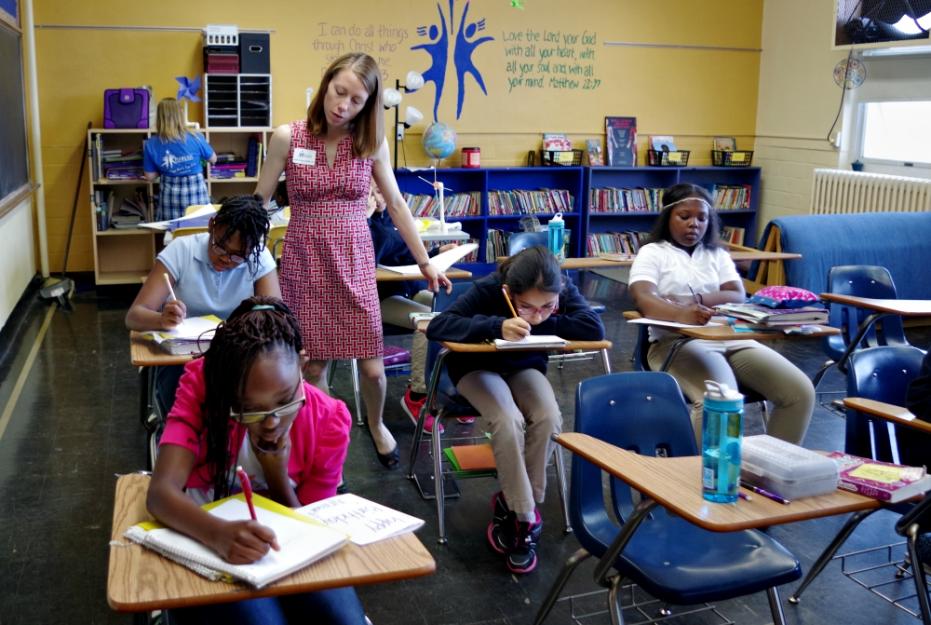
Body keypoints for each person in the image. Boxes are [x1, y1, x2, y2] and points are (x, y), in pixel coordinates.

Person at [255, 52, 451, 470]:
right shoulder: (287, 137)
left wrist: (425, 263)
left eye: (356, 100)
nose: (342, 105)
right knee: (313, 365)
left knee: (375, 369)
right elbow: (260, 202)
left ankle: (377, 424)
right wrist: (232, 248)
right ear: (326, 84)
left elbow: (397, 204)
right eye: (338, 91)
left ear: (369, 105)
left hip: (355, 257)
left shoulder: (370, 143)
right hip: (304, 257)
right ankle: (327, 447)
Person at [146, 296, 366, 625]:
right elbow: (160, 494)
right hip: (206, 541)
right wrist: (217, 534)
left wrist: (275, 474)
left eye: (284, 400)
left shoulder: (330, 420)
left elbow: (310, 531)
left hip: (285, 551)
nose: (271, 422)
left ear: (303, 366)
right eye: (249, 407)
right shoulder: (203, 388)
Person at [426, 247, 604, 574]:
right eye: (527, 307)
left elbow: (593, 329)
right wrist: (497, 326)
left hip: (524, 368)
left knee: (549, 415)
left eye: (547, 306)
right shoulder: (490, 288)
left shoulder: (562, 288)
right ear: (509, 293)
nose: (537, 314)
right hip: (476, 369)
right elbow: (440, 326)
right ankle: (524, 518)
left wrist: (543, 322)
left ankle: (514, 503)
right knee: (508, 419)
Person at [628, 183, 815, 444]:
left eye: (702, 218)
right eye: (685, 217)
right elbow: (644, 297)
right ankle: (700, 480)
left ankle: (771, 473)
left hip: (732, 338)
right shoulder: (653, 252)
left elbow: (737, 295)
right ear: (667, 218)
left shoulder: (716, 254)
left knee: (799, 392)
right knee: (720, 400)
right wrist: (682, 315)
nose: (694, 224)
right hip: (678, 342)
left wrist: (692, 301)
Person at [125, 194, 280, 415]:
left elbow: (274, 320)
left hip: (234, 352)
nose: (226, 260)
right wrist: (161, 319)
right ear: (211, 226)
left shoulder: (258, 258)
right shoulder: (181, 250)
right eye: (220, 247)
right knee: (183, 403)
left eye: (238, 256)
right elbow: (134, 316)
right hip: (183, 357)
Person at [367, 183, 466, 435]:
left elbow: (404, 254)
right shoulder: (360, 224)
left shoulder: (390, 218)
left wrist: (434, 253)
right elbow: (370, 257)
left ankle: (456, 386)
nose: (378, 198)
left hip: (404, 292)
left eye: (381, 192)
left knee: (453, 311)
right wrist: (366, 218)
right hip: (377, 301)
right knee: (429, 321)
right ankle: (418, 394)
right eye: (371, 192)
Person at [143, 97, 217, 221]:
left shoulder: (151, 144)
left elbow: (149, 177)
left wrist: (165, 168)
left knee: (173, 235)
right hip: (196, 198)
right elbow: (213, 159)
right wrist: (198, 161)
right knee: (198, 233)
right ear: (180, 115)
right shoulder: (196, 137)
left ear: (159, 118)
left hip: (170, 200)